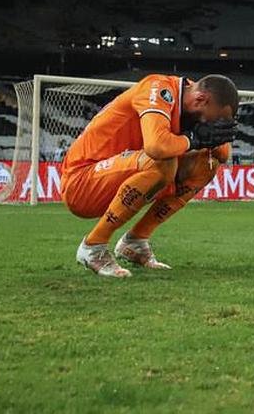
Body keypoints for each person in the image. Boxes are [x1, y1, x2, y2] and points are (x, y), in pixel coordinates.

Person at [61, 73, 239, 278]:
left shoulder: (192, 102)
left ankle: (135, 242)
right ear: (200, 100)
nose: (209, 124)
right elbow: (156, 146)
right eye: (212, 119)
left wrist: (208, 136)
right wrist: (194, 138)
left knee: (205, 165)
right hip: (82, 181)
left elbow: (223, 154)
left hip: (123, 173)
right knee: (162, 159)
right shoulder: (158, 89)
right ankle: (93, 247)